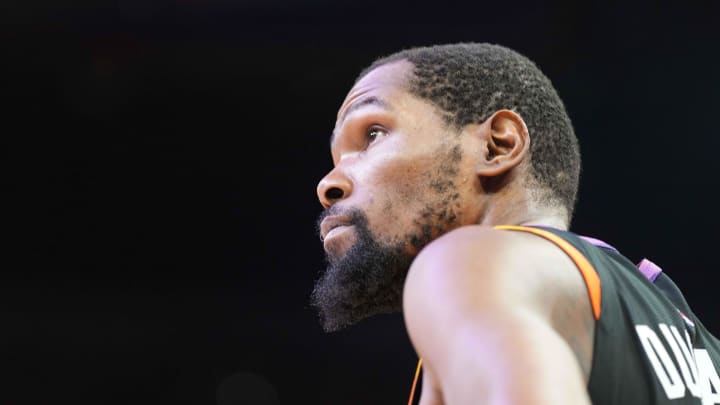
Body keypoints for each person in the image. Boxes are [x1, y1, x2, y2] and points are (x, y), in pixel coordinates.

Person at [309, 42, 720, 404]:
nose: (328, 184)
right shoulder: (699, 347)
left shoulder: (467, 263)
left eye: (373, 134)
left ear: (497, 145)